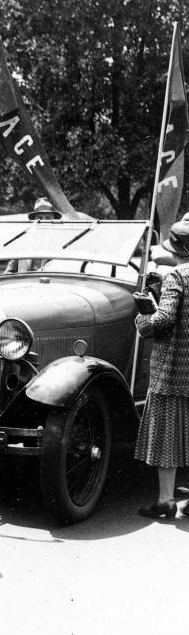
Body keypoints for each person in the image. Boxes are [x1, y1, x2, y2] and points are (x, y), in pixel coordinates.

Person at [133, 220, 189, 520]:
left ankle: (166, 501)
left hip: (173, 370)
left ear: (177, 250)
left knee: (168, 436)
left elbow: (163, 319)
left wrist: (142, 318)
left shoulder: (176, 277)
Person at [3, 197, 62, 273]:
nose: (43, 221)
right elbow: (8, 272)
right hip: (24, 284)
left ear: (54, 221)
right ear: (34, 221)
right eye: (39, 218)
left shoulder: (61, 245)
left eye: (48, 218)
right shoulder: (22, 244)